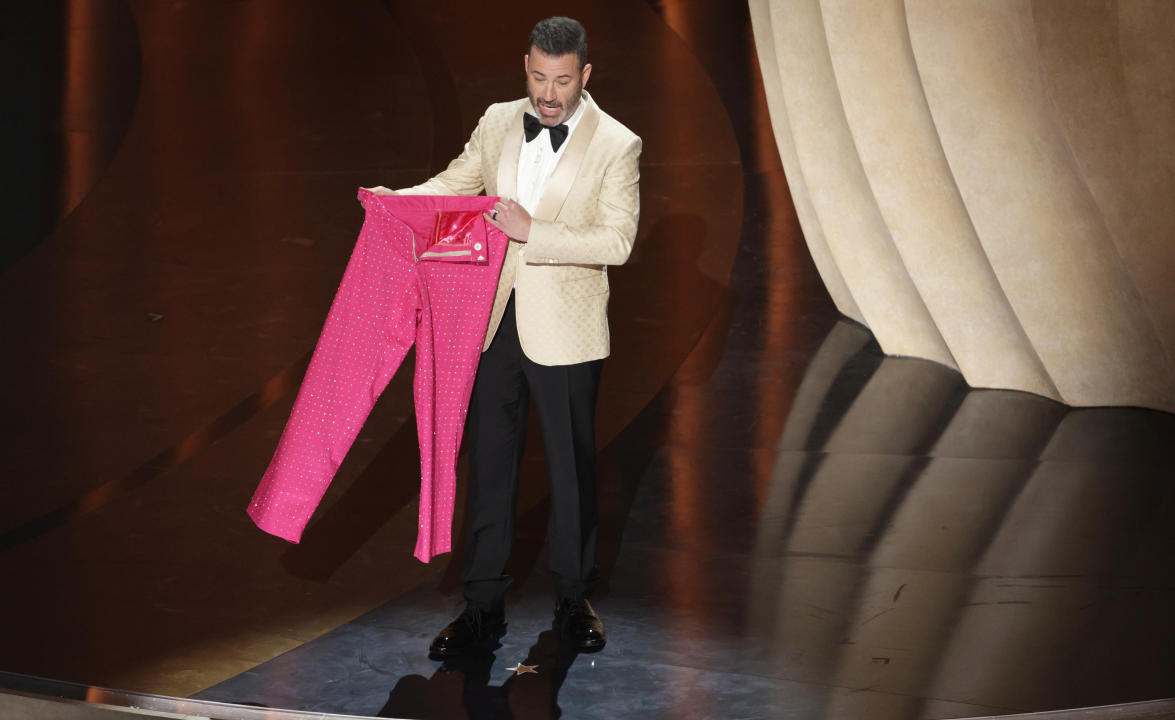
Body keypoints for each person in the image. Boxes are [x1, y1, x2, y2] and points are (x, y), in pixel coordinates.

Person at [368, 16, 641, 656]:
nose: (550, 94)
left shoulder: (617, 144)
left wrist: (531, 233)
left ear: (586, 75)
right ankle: (481, 608)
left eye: (563, 81)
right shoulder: (497, 121)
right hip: (493, 325)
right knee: (491, 466)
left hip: (567, 332)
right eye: (540, 78)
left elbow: (618, 241)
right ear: (526, 66)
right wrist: (396, 201)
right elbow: (455, 185)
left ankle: (574, 601)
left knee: (571, 473)